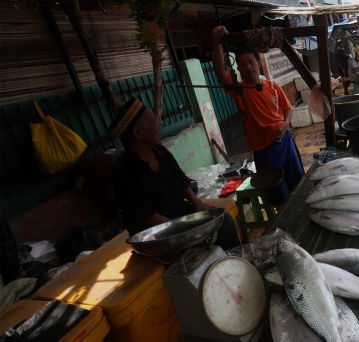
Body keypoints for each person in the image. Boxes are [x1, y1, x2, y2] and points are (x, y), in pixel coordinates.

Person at [110, 99, 241, 249]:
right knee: (201, 246)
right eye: (154, 121)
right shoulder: (123, 172)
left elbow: (181, 180)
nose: (159, 125)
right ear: (139, 133)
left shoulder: (160, 152)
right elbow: (148, 216)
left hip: (180, 216)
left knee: (226, 223)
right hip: (156, 234)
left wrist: (197, 202)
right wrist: (187, 229)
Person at [211, 26, 305, 205]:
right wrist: (217, 43)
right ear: (239, 68)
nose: (247, 67)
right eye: (243, 64)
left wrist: (285, 125)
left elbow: (288, 109)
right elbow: (222, 76)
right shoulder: (240, 90)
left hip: (285, 142)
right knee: (279, 196)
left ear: (258, 64)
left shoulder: (273, 86)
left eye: (250, 62)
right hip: (264, 150)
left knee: (298, 184)